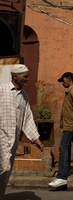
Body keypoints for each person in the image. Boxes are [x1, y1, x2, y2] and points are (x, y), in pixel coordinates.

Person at [0, 64, 44, 199]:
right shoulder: (2, 90)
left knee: (6, 171)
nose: (27, 79)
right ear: (15, 76)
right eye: (25, 76)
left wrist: (36, 139)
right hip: (1, 135)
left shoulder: (24, 96)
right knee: (4, 167)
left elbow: (27, 118)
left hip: (13, 139)